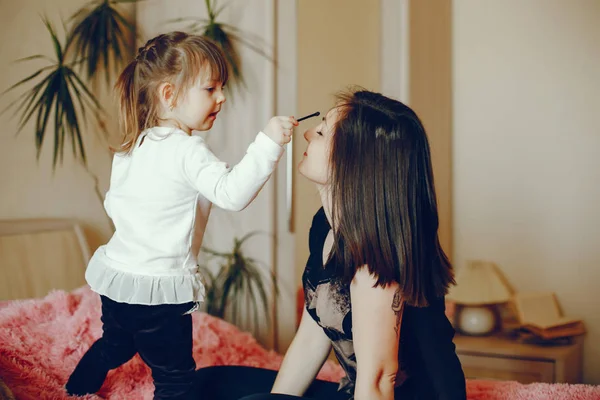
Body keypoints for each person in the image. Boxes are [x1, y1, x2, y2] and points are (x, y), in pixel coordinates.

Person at [65, 31, 297, 399]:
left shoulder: (132, 145)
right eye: (210, 89)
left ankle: (75, 387)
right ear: (169, 95)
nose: (222, 97)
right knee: (175, 380)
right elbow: (232, 193)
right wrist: (268, 142)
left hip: (118, 285)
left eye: (222, 87)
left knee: (116, 345)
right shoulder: (189, 151)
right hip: (159, 296)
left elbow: (115, 203)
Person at [194, 89, 466, 400]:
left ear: (354, 162)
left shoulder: (376, 260)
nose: (308, 133)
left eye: (322, 131)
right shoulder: (325, 225)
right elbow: (313, 336)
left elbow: (378, 382)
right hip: (354, 389)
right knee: (210, 383)